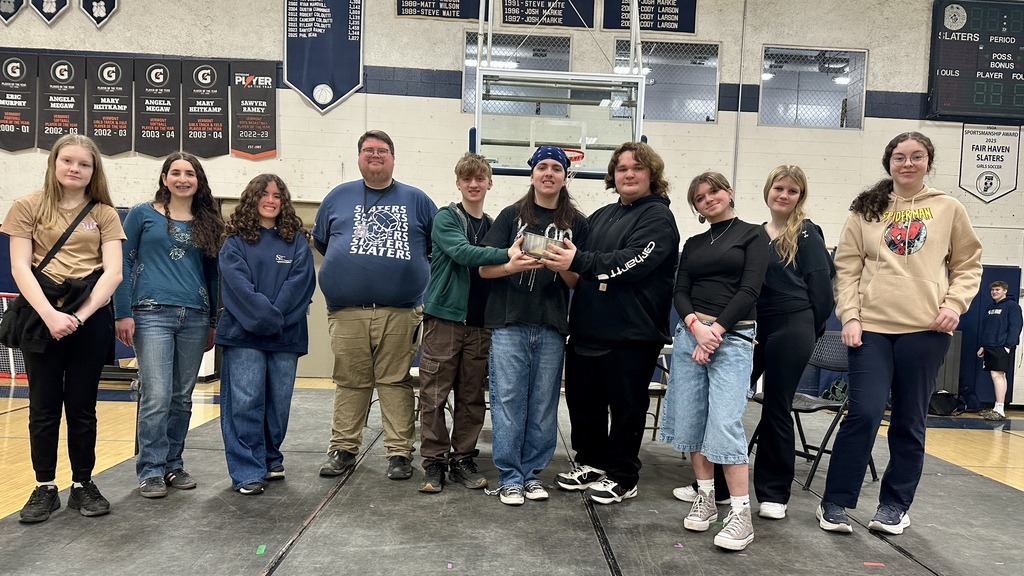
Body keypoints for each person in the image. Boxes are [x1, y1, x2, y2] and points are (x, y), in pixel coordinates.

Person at [818, 132, 982, 536]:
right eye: (899, 157)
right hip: (871, 329)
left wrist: (953, 304)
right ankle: (835, 502)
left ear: (928, 161)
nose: (907, 163)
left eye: (917, 156)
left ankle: (894, 506)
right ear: (888, 162)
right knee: (866, 412)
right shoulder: (866, 209)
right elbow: (847, 268)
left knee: (909, 419)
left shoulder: (948, 208)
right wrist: (850, 317)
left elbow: (968, 264)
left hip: (925, 331)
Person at [546, 142, 680, 504]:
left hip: (632, 334)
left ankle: (623, 475)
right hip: (588, 327)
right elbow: (579, 259)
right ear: (613, 175)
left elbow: (632, 261)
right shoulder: (602, 216)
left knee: (626, 409)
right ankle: (591, 462)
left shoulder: (658, 217)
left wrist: (580, 261)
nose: (629, 174)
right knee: (582, 402)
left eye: (637, 168)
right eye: (622, 168)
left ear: (652, 174)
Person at [3, 134, 125, 523]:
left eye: (84, 164)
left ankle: (83, 484)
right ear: (54, 163)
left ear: (93, 171)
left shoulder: (105, 213)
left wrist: (79, 318)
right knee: (42, 406)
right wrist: (51, 316)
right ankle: (44, 486)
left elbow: (113, 273)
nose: (75, 169)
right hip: (41, 316)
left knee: (82, 406)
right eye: (68, 161)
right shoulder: (27, 206)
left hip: (87, 316)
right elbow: (21, 267)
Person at [313, 130, 437, 481]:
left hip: (400, 310)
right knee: (350, 380)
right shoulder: (338, 196)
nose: (375, 155)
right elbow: (324, 242)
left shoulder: (417, 199)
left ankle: (399, 453)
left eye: (382, 150)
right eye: (368, 150)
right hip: (347, 310)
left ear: (393, 158)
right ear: (359, 157)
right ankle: (343, 449)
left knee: (394, 381)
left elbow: (432, 246)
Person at [659, 171, 768, 551]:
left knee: (723, 423)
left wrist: (715, 330)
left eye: (714, 191)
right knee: (692, 420)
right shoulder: (693, 243)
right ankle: (705, 496)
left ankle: (740, 514)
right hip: (691, 336)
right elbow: (680, 290)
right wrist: (694, 325)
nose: (708, 199)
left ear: (729, 192)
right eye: (700, 197)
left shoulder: (753, 234)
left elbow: (750, 289)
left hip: (734, 338)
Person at [478, 146, 587, 506]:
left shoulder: (578, 223)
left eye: (557, 167)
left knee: (542, 404)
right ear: (532, 174)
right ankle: (510, 476)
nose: (549, 173)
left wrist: (563, 267)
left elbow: (578, 281)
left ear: (565, 175)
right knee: (508, 400)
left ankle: (531, 473)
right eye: (543, 166)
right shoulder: (511, 216)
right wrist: (510, 267)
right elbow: (483, 268)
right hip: (509, 323)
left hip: (553, 325)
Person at [114, 152, 224, 499]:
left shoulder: (207, 220)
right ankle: (150, 470)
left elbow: (213, 275)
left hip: (194, 315)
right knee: (157, 395)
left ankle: (173, 464)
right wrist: (122, 312)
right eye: (175, 173)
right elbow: (122, 263)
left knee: (182, 398)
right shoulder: (141, 214)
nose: (182, 179)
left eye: (189, 173)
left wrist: (212, 322)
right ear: (164, 178)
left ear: (198, 180)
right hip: (151, 313)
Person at [418, 153, 527, 493]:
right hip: (445, 320)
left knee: (471, 397)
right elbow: (465, 254)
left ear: (490, 183)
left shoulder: (494, 224)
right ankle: (434, 462)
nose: (474, 184)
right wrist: (509, 254)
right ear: (458, 183)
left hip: (481, 324)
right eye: (467, 179)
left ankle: (462, 458)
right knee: (434, 394)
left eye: (480, 178)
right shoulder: (446, 218)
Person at [215, 174, 316, 495]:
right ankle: (247, 471)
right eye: (264, 194)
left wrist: (274, 317)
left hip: (286, 337)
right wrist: (267, 316)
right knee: (245, 402)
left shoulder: (297, 240)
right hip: (243, 335)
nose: (271, 200)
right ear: (252, 198)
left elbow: (301, 283)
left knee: (278, 404)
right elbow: (238, 286)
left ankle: (270, 457)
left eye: (277, 195)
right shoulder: (234, 241)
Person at [748, 165, 834, 520]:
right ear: (768, 190)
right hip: (754, 328)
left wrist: (808, 331)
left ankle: (773, 493)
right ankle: (717, 485)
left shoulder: (807, 233)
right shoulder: (753, 235)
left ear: (801, 196)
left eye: (792, 191)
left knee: (776, 407)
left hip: (792, 324)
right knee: (725, 399)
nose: (784, 195)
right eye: (779, 188)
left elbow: (823, 293)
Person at [977, 280, 1021, 420]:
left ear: (1004, 291)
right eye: (993, 290)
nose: (994, 292)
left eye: (997, 290)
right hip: (989, 346)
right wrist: (983, 345)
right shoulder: (990, 308)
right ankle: (997, 407)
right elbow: (987, 329)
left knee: (998, 375)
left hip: (1002, 346)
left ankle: (1000, 408)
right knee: (994, 375)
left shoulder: (1012, 306)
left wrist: (1008, 346)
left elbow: (1015, 327)